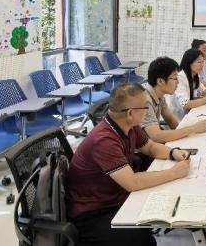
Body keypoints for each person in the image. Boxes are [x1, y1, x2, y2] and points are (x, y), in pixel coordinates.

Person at [67, 83, 191, 246]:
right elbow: (132, 182)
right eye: (145, 107)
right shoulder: (104, 140)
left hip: (115, 197)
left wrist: (172, 152)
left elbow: (149, 147)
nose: (147, 110)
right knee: (142, 239)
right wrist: (174, 172)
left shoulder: (128, 125)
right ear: (131, 113)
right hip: (93, 213)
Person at [141, 56, 206, 143]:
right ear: (160, 81)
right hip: (142, 148)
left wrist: (188, 134)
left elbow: (171, 121)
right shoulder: (144, 100)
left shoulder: (159, 95)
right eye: (175, 78)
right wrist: (194, 128)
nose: (178, 82)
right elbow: (156, 136)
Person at [176, 48, 206, 113]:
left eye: (203, 62)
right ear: (189, 63)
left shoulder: (195, 75)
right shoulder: (180, 77)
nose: (202, 65)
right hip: (180, 116)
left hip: (189, 112)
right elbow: (186, 104)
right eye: (199, 62)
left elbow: (202, 90)